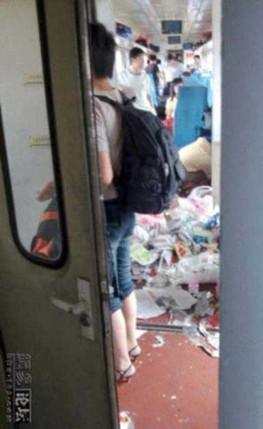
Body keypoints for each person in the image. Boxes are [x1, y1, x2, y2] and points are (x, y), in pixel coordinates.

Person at [90, 22, 140, 382]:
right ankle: (134, 343)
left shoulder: (93, 107)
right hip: (128, 204)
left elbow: (103, 174)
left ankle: (122, 363)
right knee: (124, 278)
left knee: (105, 290)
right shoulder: (123, 97)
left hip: (106, 206)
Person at [118, 47, 156, 114]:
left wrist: (153, 109)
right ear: (133, 60)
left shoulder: (145, 76)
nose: (144, 62)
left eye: (144, 60)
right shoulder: (122, 76)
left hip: (146, 110)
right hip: (132, 112)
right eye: (141, 59)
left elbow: (148, 95)